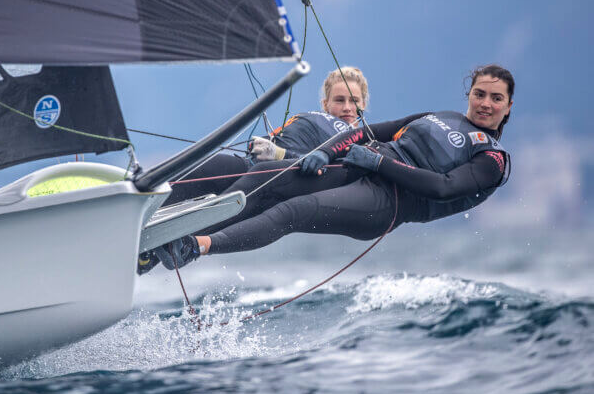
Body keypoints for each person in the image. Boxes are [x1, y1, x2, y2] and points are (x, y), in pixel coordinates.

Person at [153, 64, 514, 271]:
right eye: (479, 93)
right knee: (272, 179)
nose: (485, 103)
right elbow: (367, 133)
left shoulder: (492, 160)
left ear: (508, 106)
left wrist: (379, 162)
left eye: (495, 98)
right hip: (357, 170)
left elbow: (443, 187)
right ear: (469, 93)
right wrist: (326, 154)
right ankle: (156, 231)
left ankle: (195, 245)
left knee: (292, 211)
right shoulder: (437, 115)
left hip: (387, 204)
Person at [137, 67, 369, 274]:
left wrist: (281, 156)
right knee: (200, 168)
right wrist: (261, 144)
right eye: (340, 100)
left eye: (354, 100)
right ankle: (135, 230)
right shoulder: (312, 118)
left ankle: (154, 251)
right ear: (326, 103)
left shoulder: (361, 141)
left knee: (212, 212)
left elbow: (331, 174)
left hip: (273, 184)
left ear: (363, 105)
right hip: (251, 167)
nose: (347, 107)